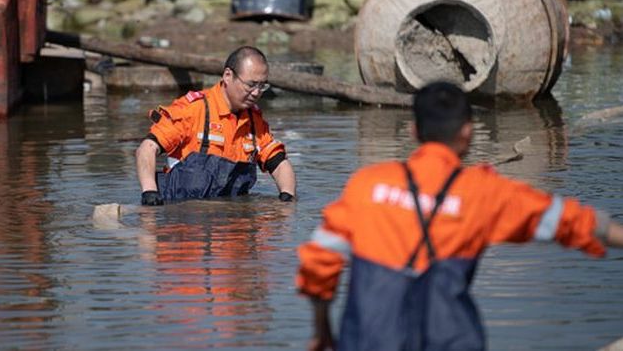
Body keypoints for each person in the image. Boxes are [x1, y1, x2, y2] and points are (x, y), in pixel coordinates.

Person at [295, 81, 623, 351]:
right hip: (450, 338)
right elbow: (573, 221)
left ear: (413, 131)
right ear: (467, 132)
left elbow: (319, 260)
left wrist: (322, 327)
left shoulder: (368, 185)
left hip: (369, 339)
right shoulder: (483, 193)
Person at [136, 46, 296, 205]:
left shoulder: (255, 122)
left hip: (233, 219)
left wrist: (287, 198)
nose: (256, 93)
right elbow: (147, 148)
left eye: (262, 86)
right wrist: (149, 192)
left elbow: (280, 164)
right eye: (251, 85)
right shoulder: (194, 109)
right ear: (228, 75)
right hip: (181, 219)